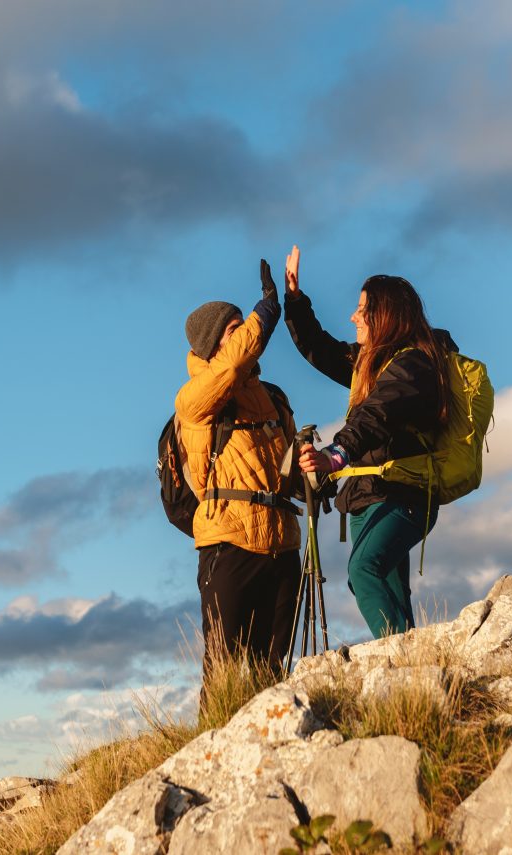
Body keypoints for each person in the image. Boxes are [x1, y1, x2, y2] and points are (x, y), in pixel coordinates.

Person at [282, 246, 454, 638]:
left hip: (402, 495)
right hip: (368, 496)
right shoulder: (372, 363)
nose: (353, 316)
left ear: (385, 316)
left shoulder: (415, 366)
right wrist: (295, 301)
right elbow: (321, 349)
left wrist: (336, 455)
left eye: (362, 309)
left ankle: (400, 664)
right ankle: (413, 676)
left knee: (363, 571)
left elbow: (375, 413)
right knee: (390, 590)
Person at [175, 260, 302, 680]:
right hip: (227, 546)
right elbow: (231, 366)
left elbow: (292, 477)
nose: (247, 337)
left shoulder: (274, 397)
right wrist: (264, 312)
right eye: (235, 331)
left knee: (273, 669)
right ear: (212, 346)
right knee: (223, 671)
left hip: (282, 545)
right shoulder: (195, 400)